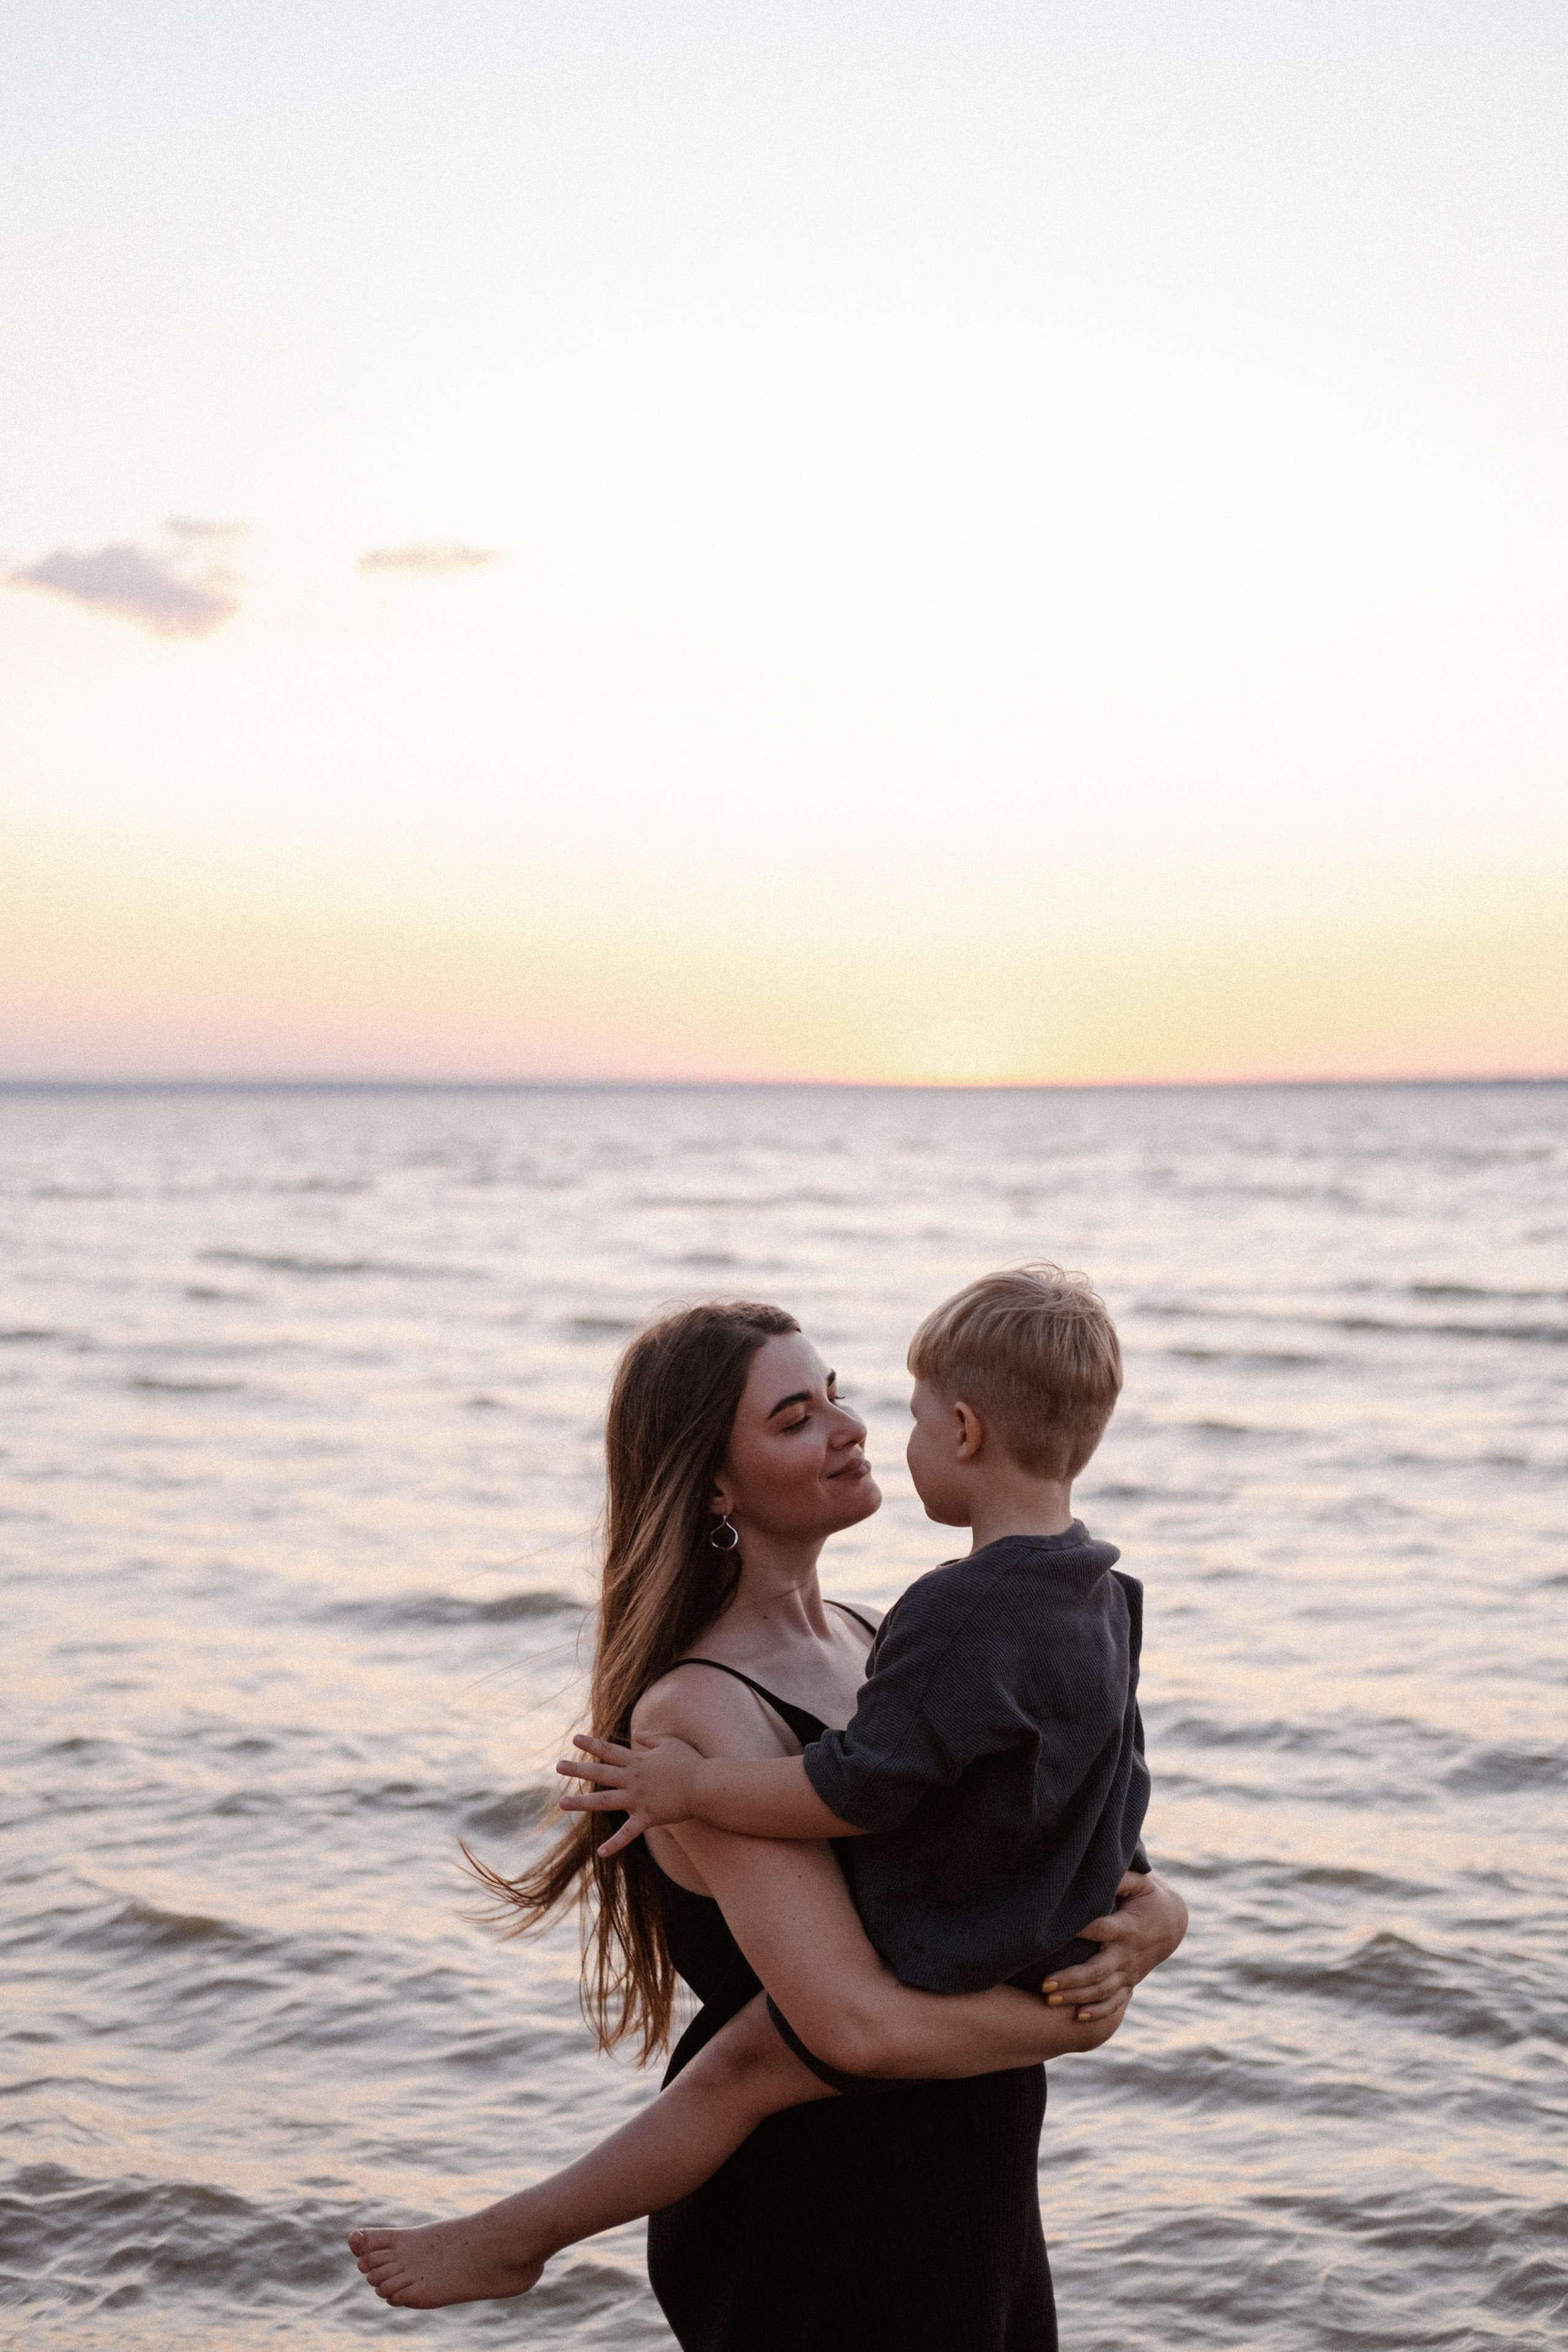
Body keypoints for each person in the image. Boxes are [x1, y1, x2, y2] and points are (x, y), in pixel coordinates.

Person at [349, 1292, 1187, 2348]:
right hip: (825, 2219)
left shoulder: (892, 1637)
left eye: (835, 1395)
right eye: (796, 1419)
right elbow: (852, 2026)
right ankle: (518, 2236)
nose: (851, 1428)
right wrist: (1076, 2022)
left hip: (974, 2183)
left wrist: (1160, 1919)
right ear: (714, 1483)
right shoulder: (699, 1714)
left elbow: (1054, 1832)